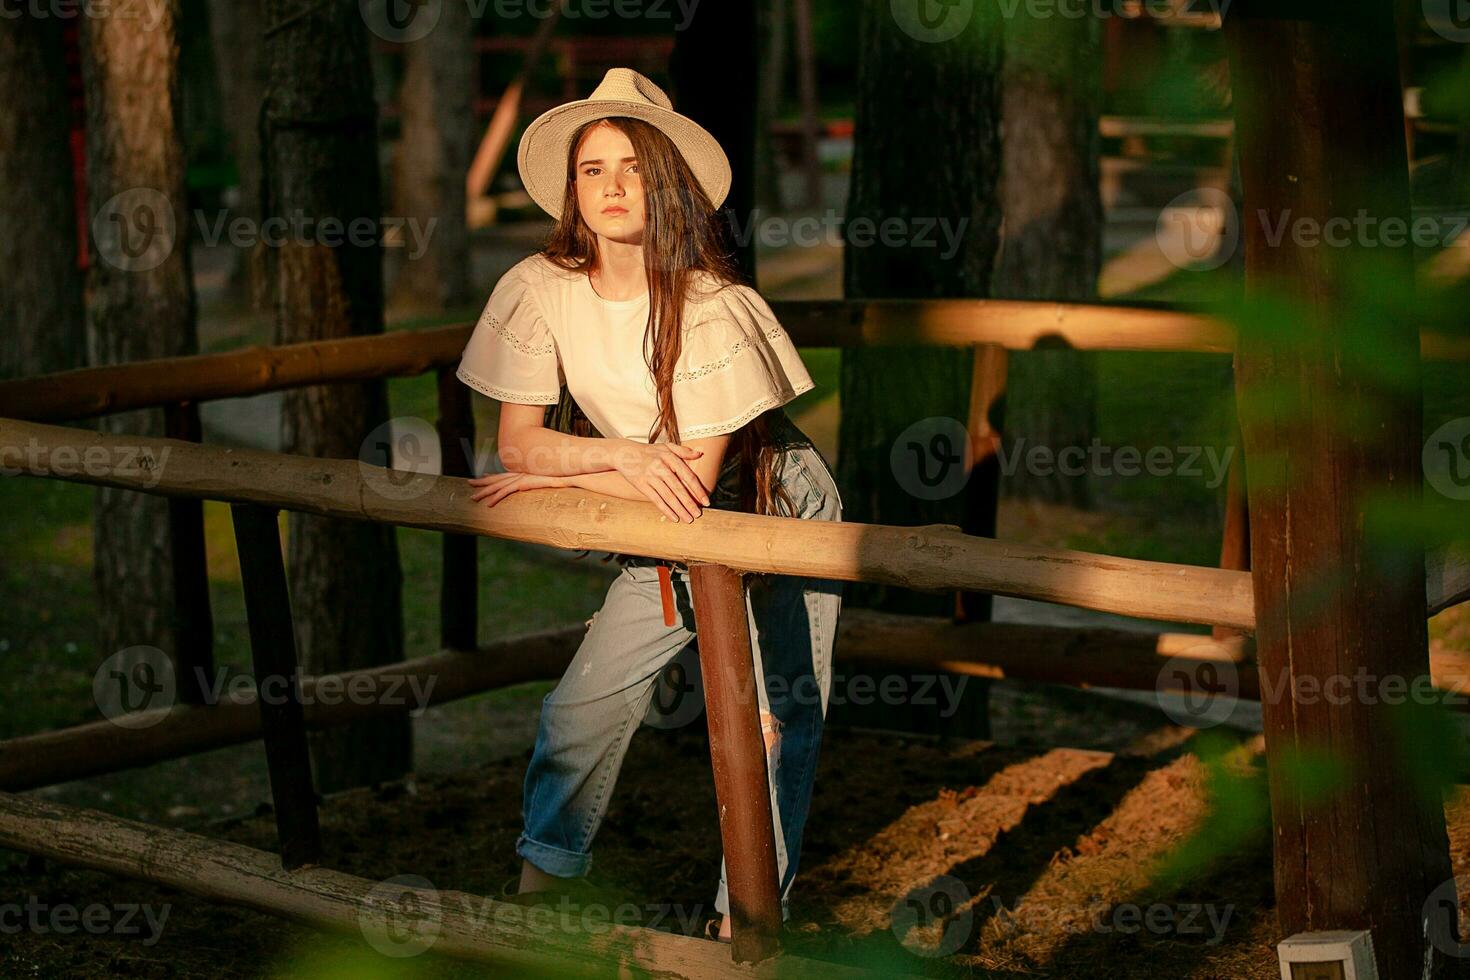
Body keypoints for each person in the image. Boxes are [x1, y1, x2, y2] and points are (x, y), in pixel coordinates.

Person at [454, 67, 844, 943]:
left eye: (632, 165)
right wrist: (620, 456)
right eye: (592, 169)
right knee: (576, 709)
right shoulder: (538, 286)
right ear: (572, 187)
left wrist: (565, 472)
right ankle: (538, 908)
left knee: (775, 715)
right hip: (651, 504)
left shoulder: (712, 307)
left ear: (664, 181)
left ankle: (742, 926)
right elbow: (518, 446)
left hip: (771, 498)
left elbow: (693, 486)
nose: (612, 186)